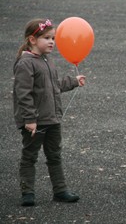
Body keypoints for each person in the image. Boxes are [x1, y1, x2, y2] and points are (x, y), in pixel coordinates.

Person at [13, 18, 86, 206]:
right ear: (32, 39)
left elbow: (54, 86)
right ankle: (27, 193)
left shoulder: (47, 61)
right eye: (47, 38)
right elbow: (23, 94)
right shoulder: (26, 63)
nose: (52, 42)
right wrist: (29, 119)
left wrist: (73, 81)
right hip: (35, 121)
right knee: (30, 156)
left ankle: (60, 191)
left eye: (53, 38)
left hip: (52, 119)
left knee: (54, 155)